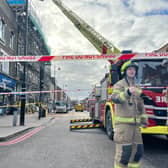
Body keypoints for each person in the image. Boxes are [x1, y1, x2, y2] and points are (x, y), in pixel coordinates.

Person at [111, 61, 148, 168]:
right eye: (129, 69)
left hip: (136, 126)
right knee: (123, 155)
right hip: (123, 126)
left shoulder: (136, 86)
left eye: (134, 69)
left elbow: (141, 104)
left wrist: (144, 120)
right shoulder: (119, 84)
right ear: (125, 71)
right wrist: (127, 93)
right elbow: (115, 98)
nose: (132, 71)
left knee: (138, 152)